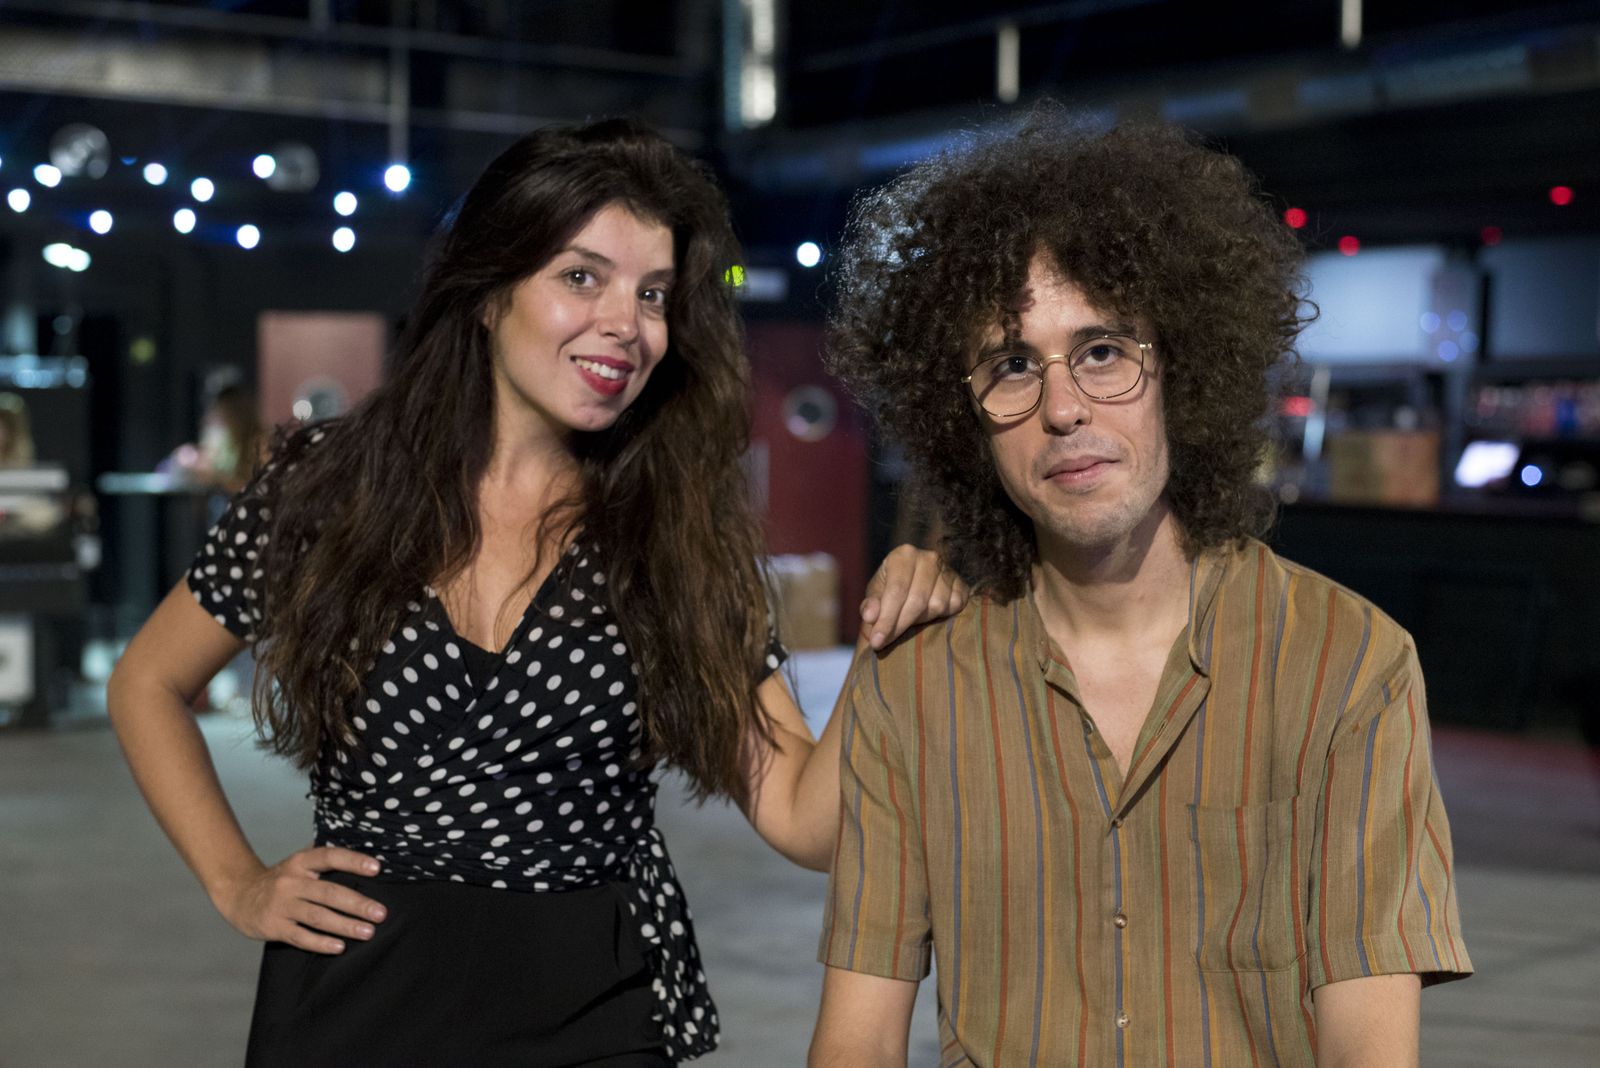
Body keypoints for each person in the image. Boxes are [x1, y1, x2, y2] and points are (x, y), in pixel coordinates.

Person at [107, 118, 964, 1067]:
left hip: (589, 1012)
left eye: (653, 295)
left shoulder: (678, 541)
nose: (626, 325)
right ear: (487, 290)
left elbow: (806, 819)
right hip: (352, 999)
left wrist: (890, 652)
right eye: (581, 277)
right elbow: (147, 682)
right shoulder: (327, 489)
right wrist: (237, 883)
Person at [809, 114, 1471, 1067]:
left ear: (1185, 371)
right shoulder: (914, 685)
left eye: (1104, 351)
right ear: (966, 424)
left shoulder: (1347, 666)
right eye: (1012, 366)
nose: (1064, 406)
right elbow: (857, 1042)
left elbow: (1369, 1049)